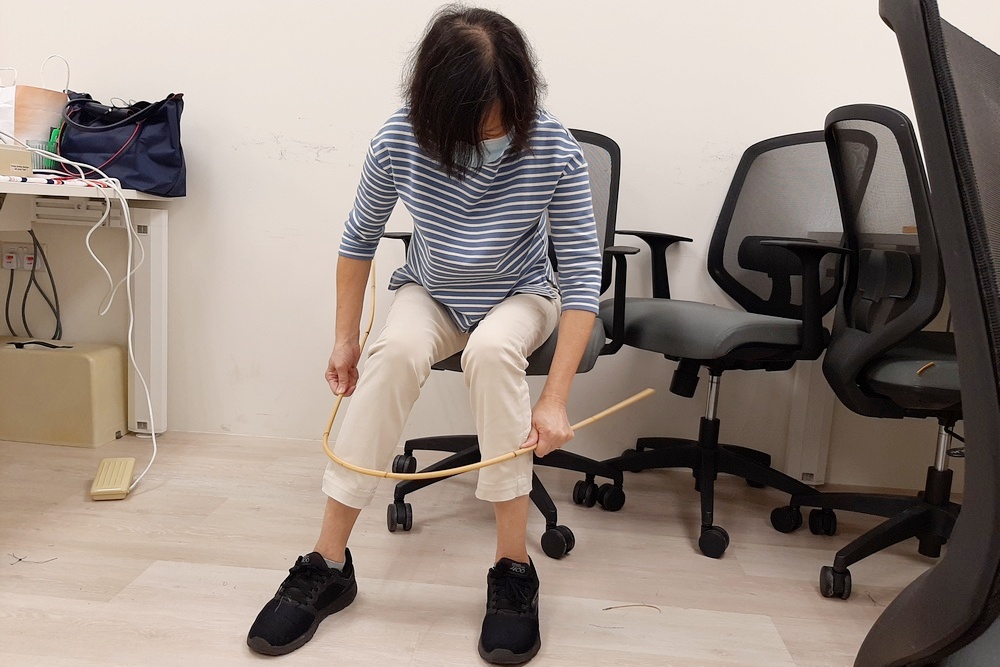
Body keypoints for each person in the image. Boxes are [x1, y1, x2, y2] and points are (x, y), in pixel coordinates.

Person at [247, 5, 602, 664]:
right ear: (435, 107)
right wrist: (345, 337)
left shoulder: (553, 145)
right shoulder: (398, 139)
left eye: (502, 118)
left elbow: (582, 274)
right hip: (431, 289)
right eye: (476, 126)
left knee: (495, 352)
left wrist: (553, 400)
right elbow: (357, 242)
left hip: (523, 292)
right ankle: (327, 563)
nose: (491, 138)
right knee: (392, 353)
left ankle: (512, 570)